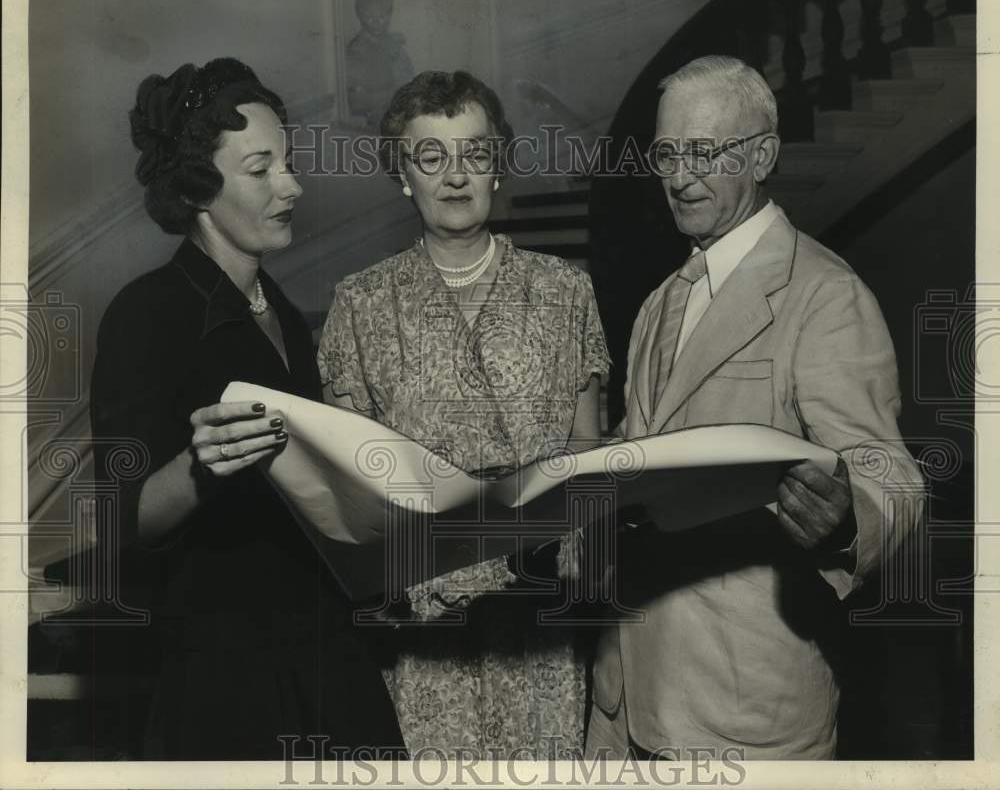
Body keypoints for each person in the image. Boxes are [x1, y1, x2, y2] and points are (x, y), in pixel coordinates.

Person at [585, 56, 924, 760]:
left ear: (763, 154)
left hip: (744, 715)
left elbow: (889, 473)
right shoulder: (662, 300)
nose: (679, 177)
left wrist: (845, 521)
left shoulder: (826, 295)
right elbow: (646, 448)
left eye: (704, 152)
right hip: (629, 697)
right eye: (667, 153)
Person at [90, 57, 405, 760]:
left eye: (287, 164)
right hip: (225, 677)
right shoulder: (146, 313)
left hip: (322, 649)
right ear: (199, 187)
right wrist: (197, 466)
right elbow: (122, 521)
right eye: (261, 170)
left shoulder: (282, 313)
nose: (291, 186)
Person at [317, 70, 610, 758]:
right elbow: (345, 488)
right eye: (431, 156)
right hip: (418, 630)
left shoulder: (565, 292)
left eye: (474, 154)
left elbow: (590, 454)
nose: (455, 176)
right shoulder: (359, 303)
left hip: (539, 616)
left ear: (498, 166)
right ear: (402, 174)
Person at [346, 0, 415, 130]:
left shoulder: (395, 44)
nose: (377, 23)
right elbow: (357, 102)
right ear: (359, 14)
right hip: (370, 125)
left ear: (390, 13)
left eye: (382, 17)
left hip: (397, 118)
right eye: (369, 17)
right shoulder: (356, 50)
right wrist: (394, 92)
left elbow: (409, 83)